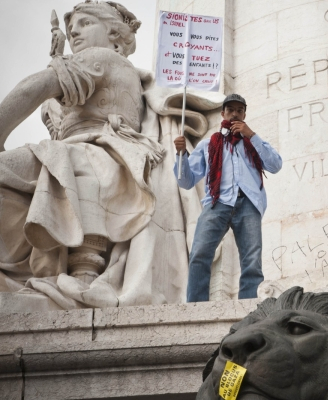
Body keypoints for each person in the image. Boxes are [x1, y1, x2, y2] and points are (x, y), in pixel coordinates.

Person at [0, 0, 221, 310]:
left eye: (86, 23)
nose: (74, 31)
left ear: (116, 37)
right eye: (72, 27)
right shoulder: (96, 65)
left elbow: (35, 88)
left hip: (96, 155)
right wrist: (57, 60)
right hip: (76, 154)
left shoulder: (103, 59)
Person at [174, 94, 282, 302]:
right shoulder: (208, 144)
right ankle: (197, 307)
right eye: (230, 110)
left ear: (244, 114)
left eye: (239, 110)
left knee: (252, 262)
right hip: (217, 203)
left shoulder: (252, 143)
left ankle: (248, 308)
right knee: (199, 254)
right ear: (223, 113)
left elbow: (275, 165)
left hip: (248, 204)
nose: (234, 114)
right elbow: (185, 181)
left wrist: (251, 135)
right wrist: (181, 156)